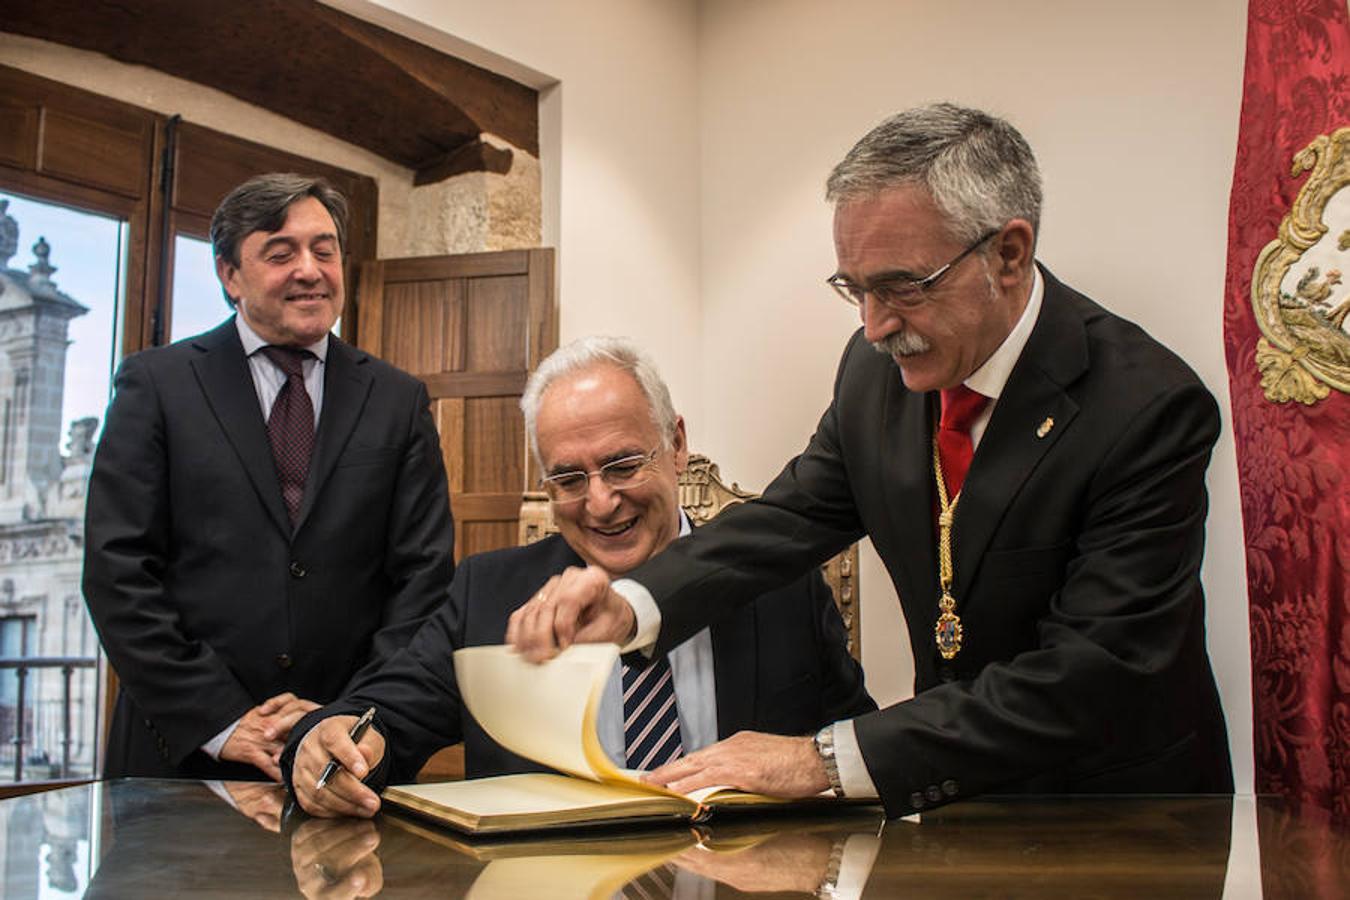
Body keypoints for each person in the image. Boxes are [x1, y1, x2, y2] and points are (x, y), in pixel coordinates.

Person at [506, 103, 1234, 818]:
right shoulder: (874, 370)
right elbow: (789, 518)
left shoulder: (1148, 406)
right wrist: (632, 602)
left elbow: (1092, 672)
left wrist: (821, 759)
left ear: (1009, 254)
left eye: (902, 287)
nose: (875, 325)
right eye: (854, 288)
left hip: (1124, 814)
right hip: (960, 804)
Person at [283, 336, 873, 817]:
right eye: (569, 479)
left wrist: (805, 759)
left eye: (621, 466)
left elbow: (857, 743)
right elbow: (381, 714)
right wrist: (330, 742)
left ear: (677, 445)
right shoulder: (489, 592)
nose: (600, 503)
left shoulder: (780, 582)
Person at [83, 173, 455, 782]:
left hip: (348, 755)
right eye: (280, 253)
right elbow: (117, 570)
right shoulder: (157, 385)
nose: (309, 269)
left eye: (324, 250)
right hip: (184, 754)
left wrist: (350, 717)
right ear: (230, 275)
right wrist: (224, 721)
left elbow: (422, 578)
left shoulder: (398, 399)